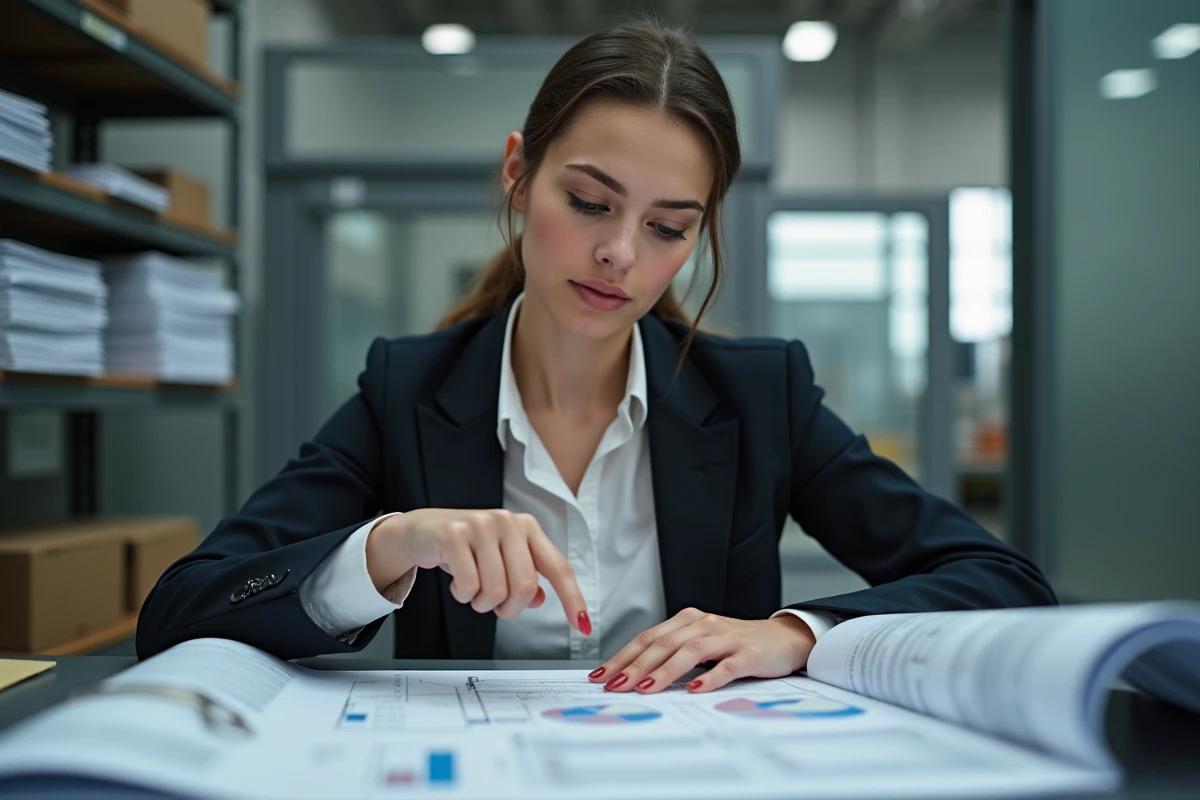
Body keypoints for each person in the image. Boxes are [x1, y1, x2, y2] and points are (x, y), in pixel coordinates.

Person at [136, 20, 1055, 695]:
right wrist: (389, 543)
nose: (622, 253)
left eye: (667, 228)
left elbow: (1006, 585)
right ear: (517, 174)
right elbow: (180, 613)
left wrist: (800, 631)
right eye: (588, 203)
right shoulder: (405, 388)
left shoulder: (760, 393)